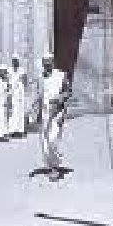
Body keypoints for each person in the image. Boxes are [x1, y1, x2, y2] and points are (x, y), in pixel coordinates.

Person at [38, 53, 71, 181]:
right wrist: (36, 113)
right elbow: (40, 96)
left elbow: (68, 92)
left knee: (52, 141)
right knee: (45, 144)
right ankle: (52, 167)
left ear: (52, 62)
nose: (46, 66)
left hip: (57, 113)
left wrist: (59, 99)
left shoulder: (61, 75)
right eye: (44, 63)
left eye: (48, 63)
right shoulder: (41, 77)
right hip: (45, 114)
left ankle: (55, 167)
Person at [8, 55, 27, 138]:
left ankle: (20, 131)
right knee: (12, 113)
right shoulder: (9, 70)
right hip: (12, 93)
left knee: (20, 112)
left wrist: (20, 84)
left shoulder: (22, 70)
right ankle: (11, 131)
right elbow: (7, 81)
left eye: (16, 61)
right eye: (14, 61)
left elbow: (25, 81)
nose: (15, 62)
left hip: (20, 94)